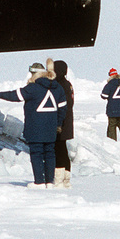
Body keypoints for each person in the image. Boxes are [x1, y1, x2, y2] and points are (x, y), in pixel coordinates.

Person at [0, 59, 67, 188]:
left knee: (36, 153)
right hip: (51, 128)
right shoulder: (58, 88)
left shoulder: (33, 88)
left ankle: (39, 182)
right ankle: (49, 182)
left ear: (34, 74)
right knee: (50, 152)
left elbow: (15, 95)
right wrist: (58, 124)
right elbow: (63, 108)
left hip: (35, 127)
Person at [53, 59, 74, 188]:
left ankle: (59, 179)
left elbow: (64, 105)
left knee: (59, 150)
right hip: (66, 121)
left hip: (61, 122)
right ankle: (66, 179)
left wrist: (58, 123)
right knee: (63, 150)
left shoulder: (60, 85)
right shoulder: (67, 84)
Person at [100, 68, 120, 143]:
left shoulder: (109, 84)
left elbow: (104, 95)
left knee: (112, 126)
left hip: (112, 110)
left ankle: (112, 142)